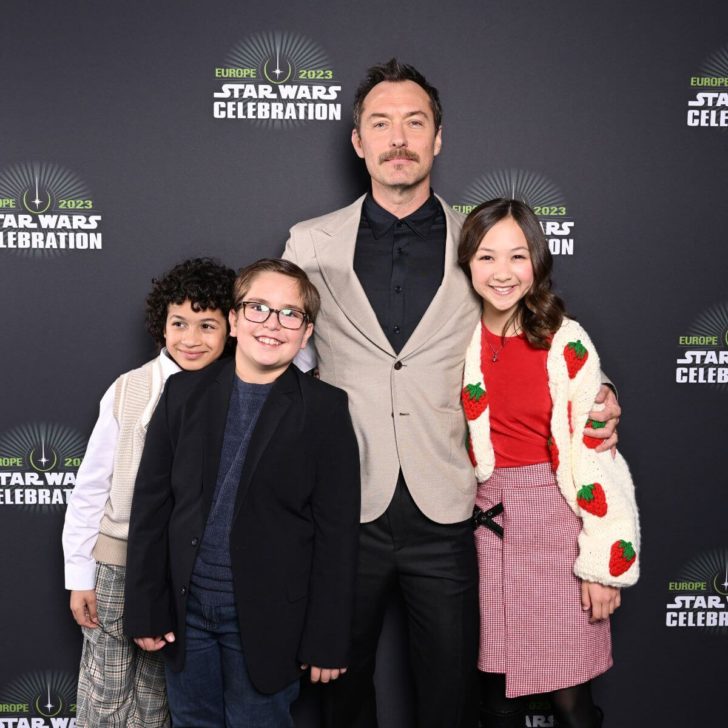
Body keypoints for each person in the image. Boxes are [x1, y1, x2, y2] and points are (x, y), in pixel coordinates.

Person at [283, 59, 622, 728]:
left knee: (451, 700)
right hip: (345, 505)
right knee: (341, 695)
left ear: (439, 138)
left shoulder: (482, 236)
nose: (398, 138)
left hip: (454, 504)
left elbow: (542, 336)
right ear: (358, 141)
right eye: (381, 124)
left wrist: (600, 395)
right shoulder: (308, 242)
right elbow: (278, 363)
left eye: (415, 122)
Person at [123, 258, 360, 728]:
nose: (272, 325)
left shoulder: (325, 410)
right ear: (234, 319)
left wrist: (327, 639)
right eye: (257, 309)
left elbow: (337, 535)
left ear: (306, 331)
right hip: (186, 614)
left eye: (289, 314)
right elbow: (152, 508)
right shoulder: (182, 394)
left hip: (269, 618)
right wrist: (146, 607)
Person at [457, 199, 640, 728]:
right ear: (467, 262)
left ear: (537, 260)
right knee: (495, 697)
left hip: (559, 524)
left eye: (517, 256)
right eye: (487, 257)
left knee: (571, 700)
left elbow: (596, 456)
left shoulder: (565, 340)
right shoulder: (456, 336)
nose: (502, 272)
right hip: (484, 527)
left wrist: (604, 564)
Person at [62, 257, 236, 727]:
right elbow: (90, 488)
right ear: (161, 325)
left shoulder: (235, 392)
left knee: (162, 697)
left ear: (231, 329)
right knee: (107, 693)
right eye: (179, 323)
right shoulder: (129, 389)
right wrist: (79, 572)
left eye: (208, 325)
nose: (192, 339)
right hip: (118, 567)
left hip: (186, 573)